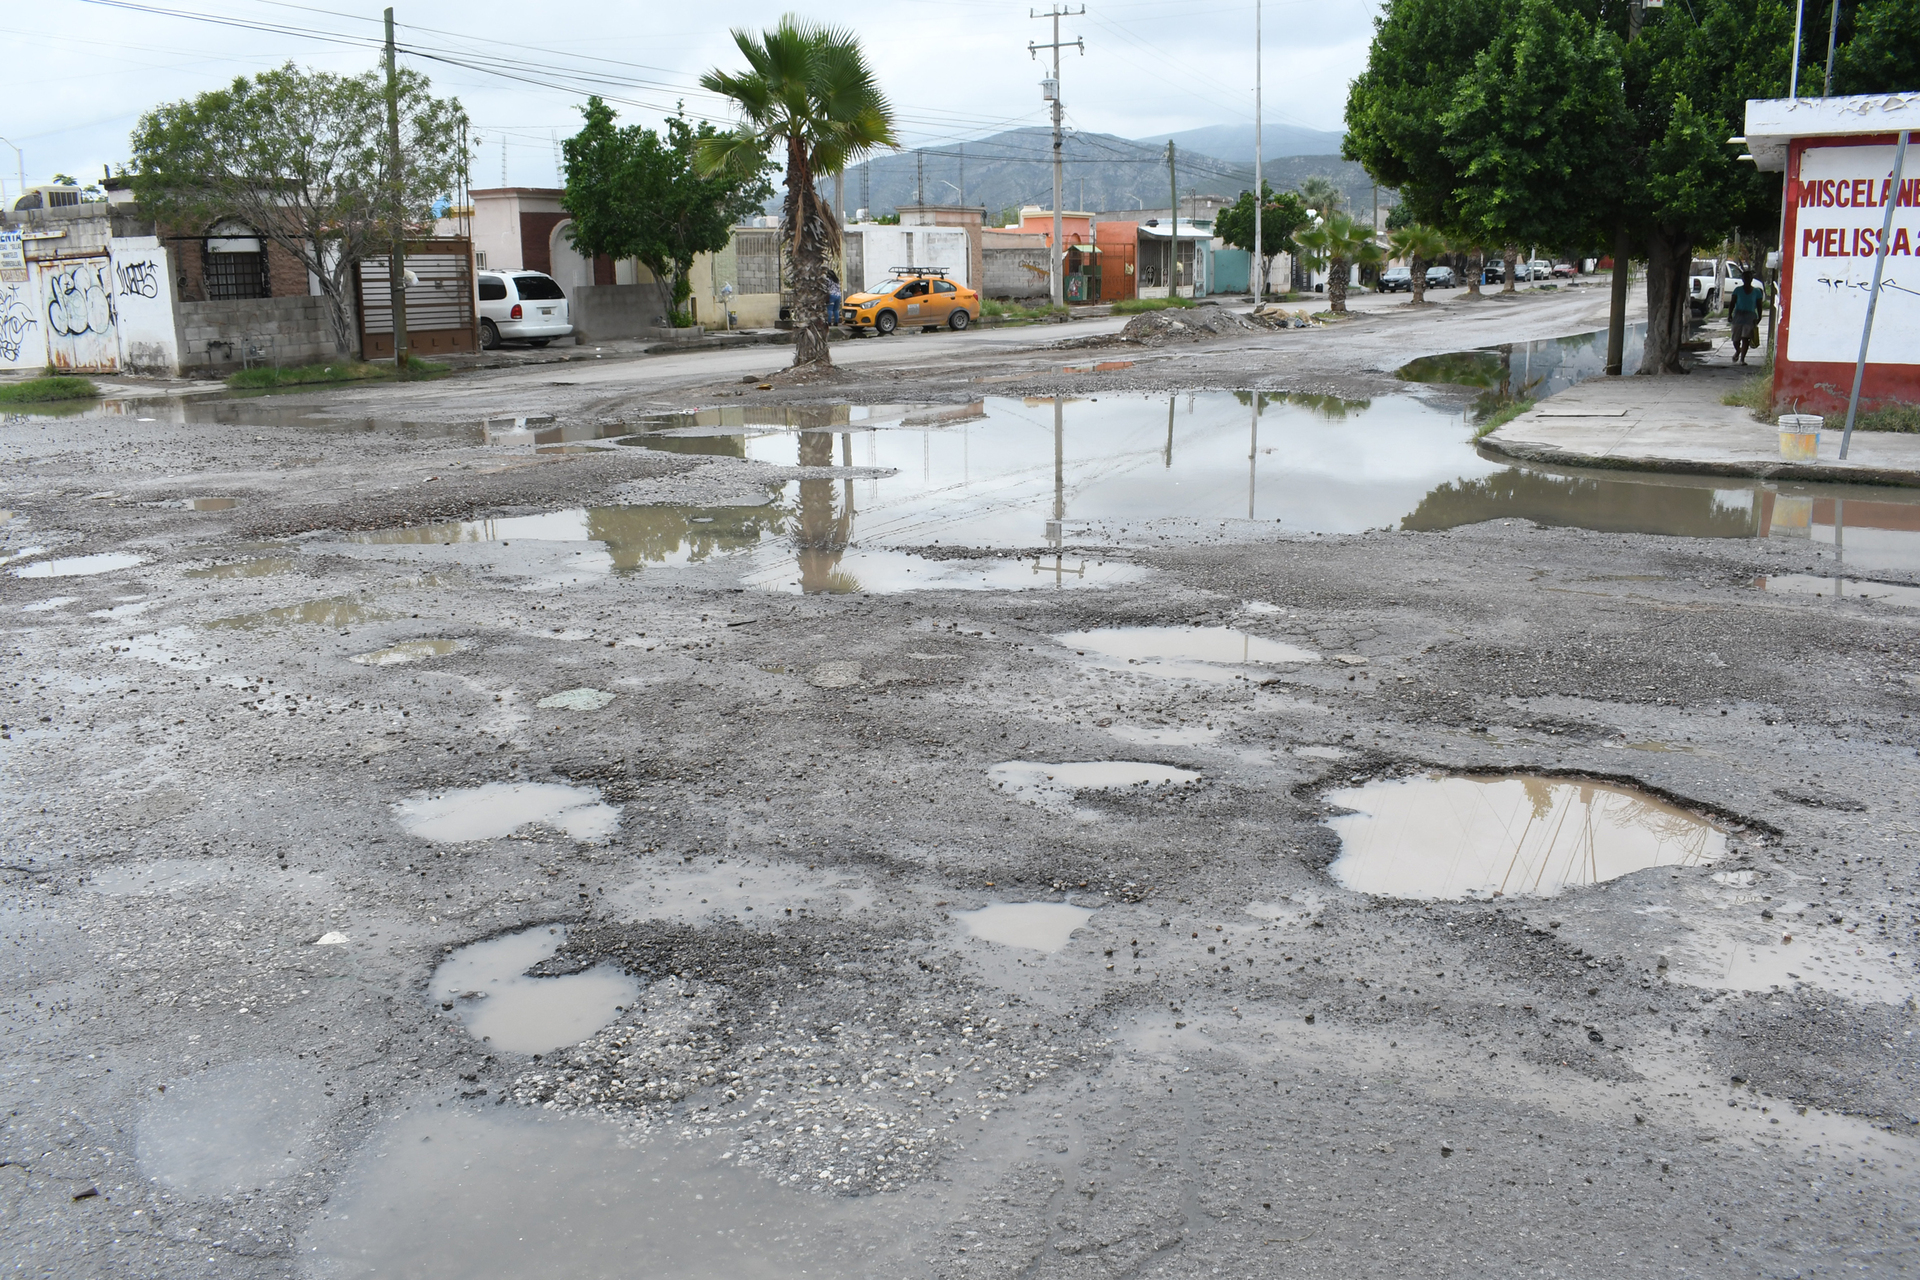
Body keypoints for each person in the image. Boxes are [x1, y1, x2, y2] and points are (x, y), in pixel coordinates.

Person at [1728, 269, 1765, 365]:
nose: (1747, 279)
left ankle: (1742, 359)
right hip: (1738, 315)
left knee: (1746, 338)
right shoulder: (1738, 290)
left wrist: (1760, 317)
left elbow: (1759, 305)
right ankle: (1738, 351)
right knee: (1735, 339)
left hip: (1750, 316)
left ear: (1752, 279)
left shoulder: (1757, 292)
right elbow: (1732, 303)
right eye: (1745, 277)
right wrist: (1729, 315)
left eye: (1749, 277)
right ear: (1742, 279)